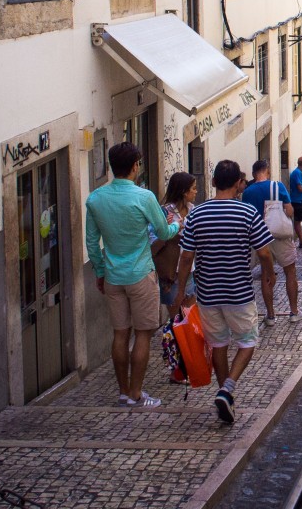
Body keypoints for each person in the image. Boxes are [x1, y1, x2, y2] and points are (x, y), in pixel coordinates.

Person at [173, 160, 274, 424]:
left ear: (214, 182)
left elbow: (186, 257)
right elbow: (264, 252)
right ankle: (226, 390)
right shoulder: (247, 213)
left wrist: (181, 289)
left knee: (218, 344)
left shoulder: (197, 215)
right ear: (239, 184)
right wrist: (269, 273)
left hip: (208, 294)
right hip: (239, 293)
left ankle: (224, 394)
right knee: (248, 342)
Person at [85, 142, 179, 409]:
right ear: (135, 166)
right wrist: (176, 224)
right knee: (143, 334)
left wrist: (100, 272)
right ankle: (136, 393)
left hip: (113, 277)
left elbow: (92, 243)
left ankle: (123, 392)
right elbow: (163, 232)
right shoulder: (144, 197)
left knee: (120, 334)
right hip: (140, 274)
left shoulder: (95, 199)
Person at [242, 160, 302, 323]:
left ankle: (270, 316)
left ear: (253, 174)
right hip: (279, 235)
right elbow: (289, 210)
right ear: (268, 171)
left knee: (266, 273)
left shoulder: (247, 192)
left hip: (259, 237)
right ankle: (294, 312)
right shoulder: (277, 186)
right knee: (290, 271)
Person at [155, 172, 199, 322]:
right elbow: (154, 242)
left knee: (190, 316)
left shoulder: (193, 211)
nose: (196, 191)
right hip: (170, 272)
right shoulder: (164, 212)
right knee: (176, 319)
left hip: (189, 270)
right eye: (193, 188)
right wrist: (167, 229)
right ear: (184, 192)